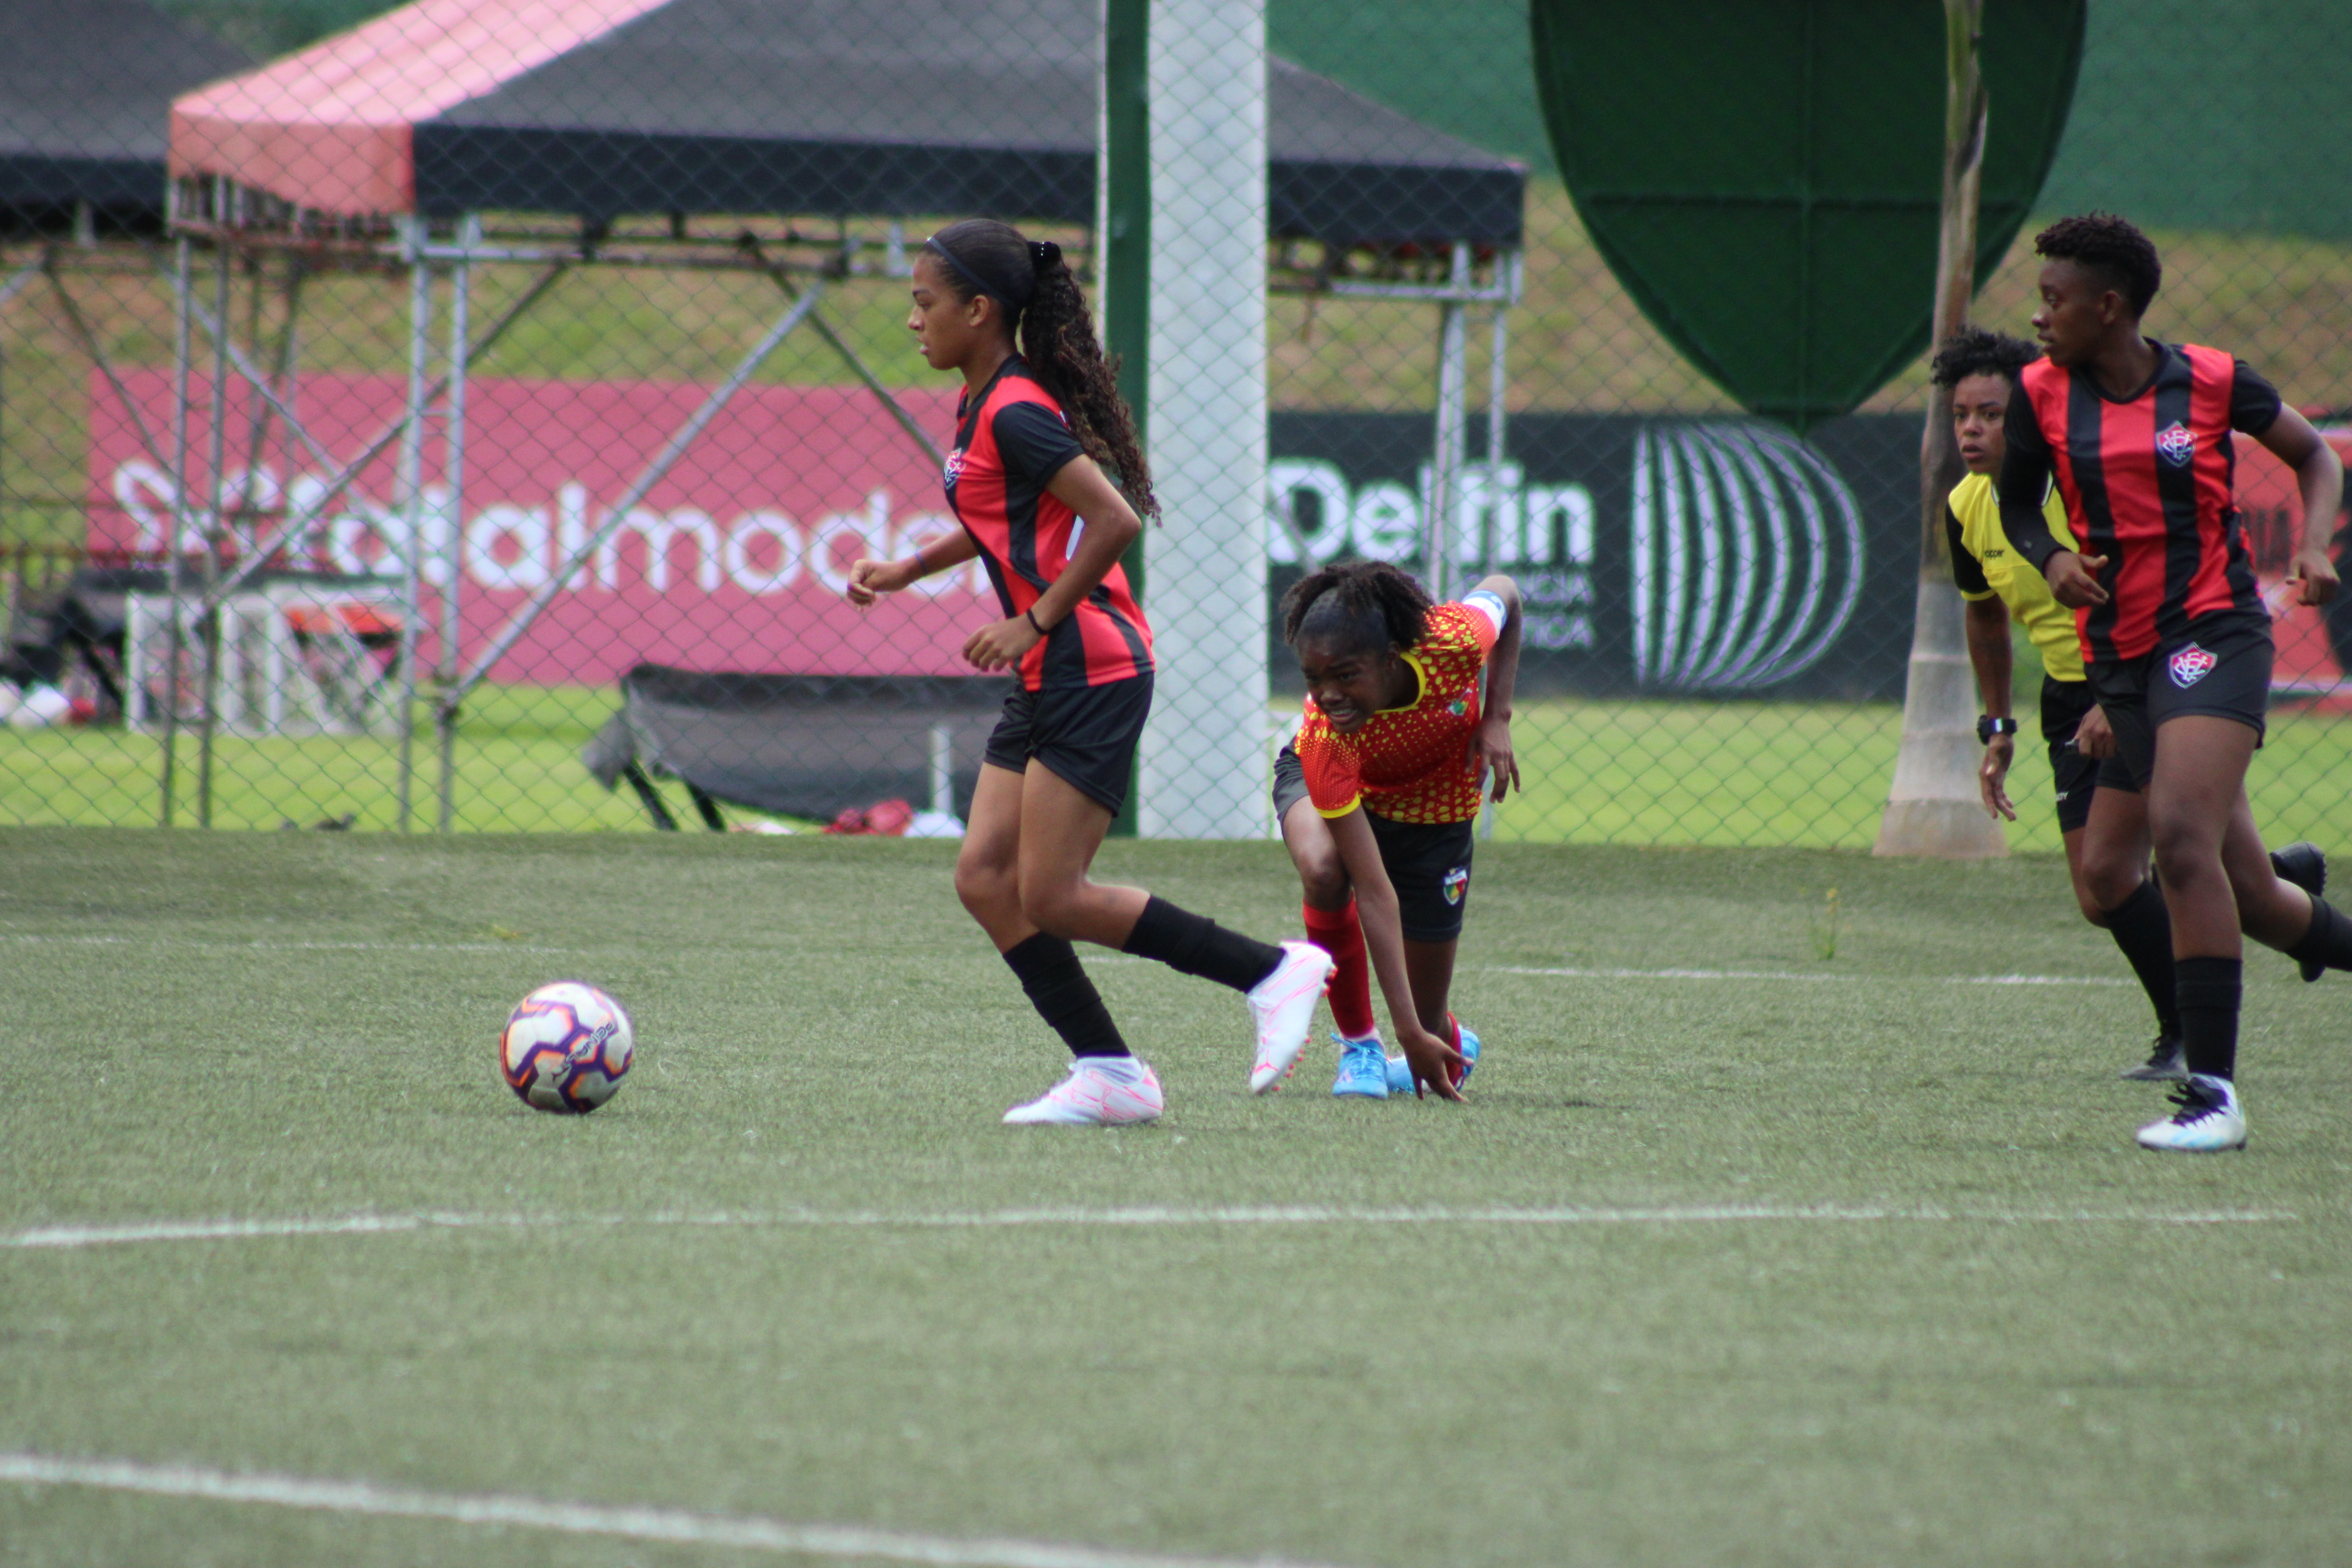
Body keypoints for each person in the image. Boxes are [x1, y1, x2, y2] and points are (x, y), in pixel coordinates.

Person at [844, 219, 1339, 1126]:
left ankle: (1272, 972)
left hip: (1090, 667)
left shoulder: (1016, 407)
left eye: (925, 302)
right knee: (985, 877)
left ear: (979, 309)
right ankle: (1110, 1072)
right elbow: (1006, 512)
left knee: (1054, 892)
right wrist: (910, 568)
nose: (914, 320)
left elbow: (1113, 519)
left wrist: (1030, 618)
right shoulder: (985, 399)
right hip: (1048, 672)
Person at [1997, 213, 2350, 1152]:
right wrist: (2053, 554)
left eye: (2053, 300)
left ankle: (2216, 1098)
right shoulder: (2038, 394)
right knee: (2249, 892)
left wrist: (2313, 542)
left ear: (2108, 307)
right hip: (2122, 654)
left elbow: (2315, 454)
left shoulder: (2210, 379)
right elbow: (2014, 502)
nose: (2039, 317)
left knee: (2180, 837)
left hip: (2213, 631)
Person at [1936, 327, 2326, 1081]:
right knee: (2221, 885)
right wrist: (1997, 728)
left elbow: (2143, 589)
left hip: (2149, 677)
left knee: (2112, 880)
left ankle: (2187, 1036)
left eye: (1990, 412)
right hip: (2068, 694)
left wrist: (2116, 699)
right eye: (1960, 415)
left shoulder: (2080, 479)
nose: (1973, 430)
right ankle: (2286, 889)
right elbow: (1983, 614)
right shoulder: (1966, 505)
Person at [1273, 561, 1518, 1099]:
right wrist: (1398, 1034)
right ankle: (1359, 1049)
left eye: (1345, 676)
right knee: (1324, 869)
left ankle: (1449, 1039)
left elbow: (1507, 592)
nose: (1328, 696)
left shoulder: (1452, 641)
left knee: (1432, 1031)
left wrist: (1497, 714)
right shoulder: (1325, 739)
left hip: (1437, 814)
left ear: (1389, 659)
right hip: (1352, 795)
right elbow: (1375, 891)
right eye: (1314, 680)